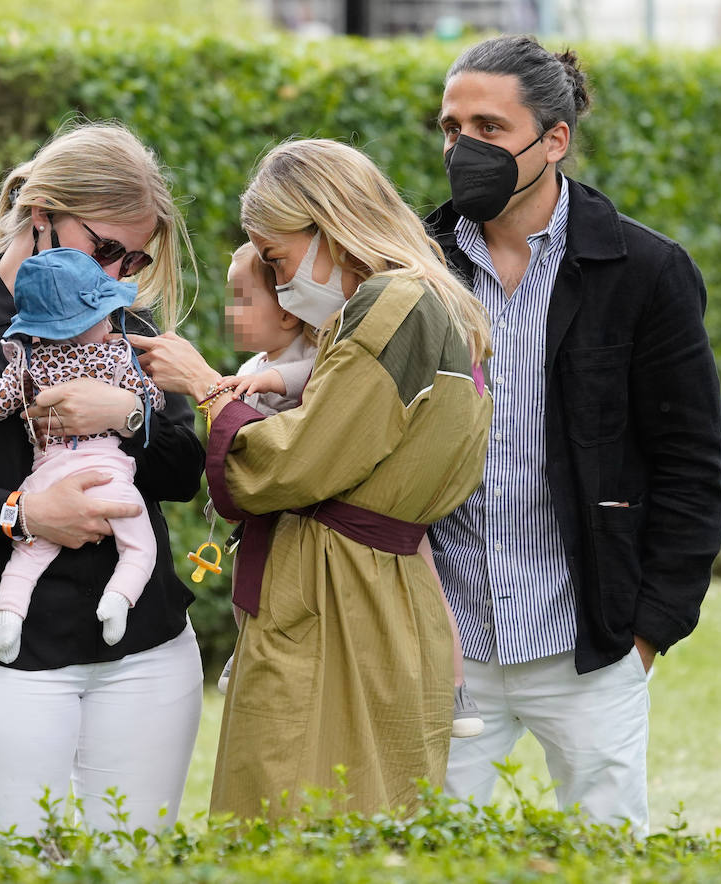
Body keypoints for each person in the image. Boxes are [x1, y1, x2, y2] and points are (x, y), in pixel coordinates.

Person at [126, 138, 494, 820]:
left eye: (275, 258)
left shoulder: (392, 304)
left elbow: (290, 463)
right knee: (372, 811)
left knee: (295, 815)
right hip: (377, 590)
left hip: (335, 597)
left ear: (327, 226)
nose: (280, 282)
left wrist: (206, 389)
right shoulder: (436, 302)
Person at [0, 121, 205, 835]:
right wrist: (20, 511)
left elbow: (182, 471)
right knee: (14, 863)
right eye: (106, 248)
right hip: (1, 652)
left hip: (146, 649)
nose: (117, 275)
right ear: (42, 214)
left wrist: (131, 413)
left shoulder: (127, 327)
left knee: (138, 863)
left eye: (134, 259)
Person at [424, 36, 721, 836]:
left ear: (553, 139)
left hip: (587, 643)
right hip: (445, 641)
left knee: (611, 854)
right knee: (419, 855)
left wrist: (648, 633)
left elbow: (692, 465)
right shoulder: (413, 268)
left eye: (490, 128)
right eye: (452, 127)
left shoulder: (646, 272)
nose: (463, 148)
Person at [213, 243, 486, 739]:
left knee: (423, 564)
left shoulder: (316, 351)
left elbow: (314, 382)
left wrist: (247, 387)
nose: (230, 312)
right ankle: (243, 645)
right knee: (248, 582)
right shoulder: (251, 366)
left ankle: (456, 684)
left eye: (243, 298)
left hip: (360, 503)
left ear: (287, 312)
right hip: (287, 506)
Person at [0, 248, 165, 661]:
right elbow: (153, 400)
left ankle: (10, 617)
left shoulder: (28, 362)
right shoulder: (118, 355)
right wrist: (130, 405)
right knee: (140, 545)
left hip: (48, 478)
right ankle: (118, 601)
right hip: (108, 475)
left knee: (29, 554)